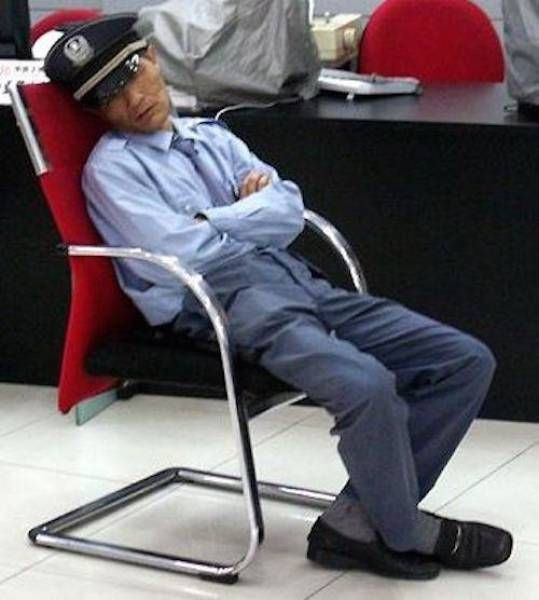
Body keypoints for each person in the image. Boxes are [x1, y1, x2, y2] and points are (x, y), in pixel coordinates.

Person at [44, 14, 512, 580]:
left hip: (295, 278)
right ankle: (407, 531)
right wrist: (246, 213)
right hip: (222, 302)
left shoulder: (213, 136)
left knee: (464, 361)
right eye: (107, 96)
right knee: (366, 387)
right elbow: (186, 253)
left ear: (153, 58)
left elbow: (288, 211)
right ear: (95, 111)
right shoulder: (112, 171)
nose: (130, 99)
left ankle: (355, 522)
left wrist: (213, 218)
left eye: (131, 74)